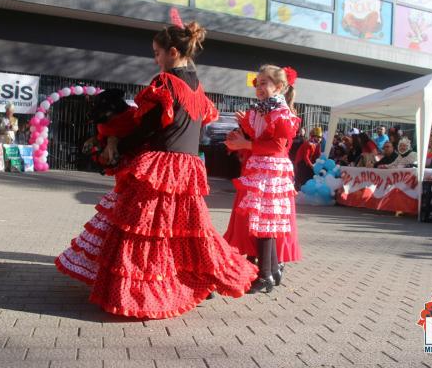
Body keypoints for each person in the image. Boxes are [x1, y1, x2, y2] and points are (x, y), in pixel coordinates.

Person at [55, 20, 257, 318]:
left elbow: (147, 128)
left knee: (143, 230)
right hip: (188, 167)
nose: (155, 59)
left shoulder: (164, 84)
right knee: (188, 231)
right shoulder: (199, 89)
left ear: (173, 52)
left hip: (162, 165)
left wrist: (117, 144)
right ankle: (202, 279)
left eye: (157, 53)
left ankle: (145, 292)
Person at [223, 64, 302, 294]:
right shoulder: (263, 110)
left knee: (265, 223)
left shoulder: (280, 112)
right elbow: (260, 136)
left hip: (270, 170)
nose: (259, 87)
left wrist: (245, 143)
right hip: (261, 168)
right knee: (264, 221)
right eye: (257, 83)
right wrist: (243, 131)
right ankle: (273, 270)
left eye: (264, 82)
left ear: (278, 86)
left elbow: (278, 146)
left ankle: (265, 275)